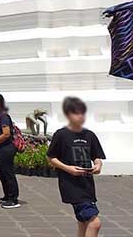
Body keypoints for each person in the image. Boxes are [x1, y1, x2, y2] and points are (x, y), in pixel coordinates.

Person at [47, 96, 105, 237]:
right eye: (76, 113)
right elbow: (51, 158)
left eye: (82, 113)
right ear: (68, 114)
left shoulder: (89, 135)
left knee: (83, 222)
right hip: (71, 186)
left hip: (87, 184)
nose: (80, 116)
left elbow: (96, 156)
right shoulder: (61, 135)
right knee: (94, 223)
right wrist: (68, 168)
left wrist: (98, 165)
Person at [0, 93, 20, 209]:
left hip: (6, 148)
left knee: (8, 172)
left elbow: (6, 134)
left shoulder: (4, 116)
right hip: (0, 148)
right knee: (0, 171)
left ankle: (13, 198)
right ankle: (7, 195)